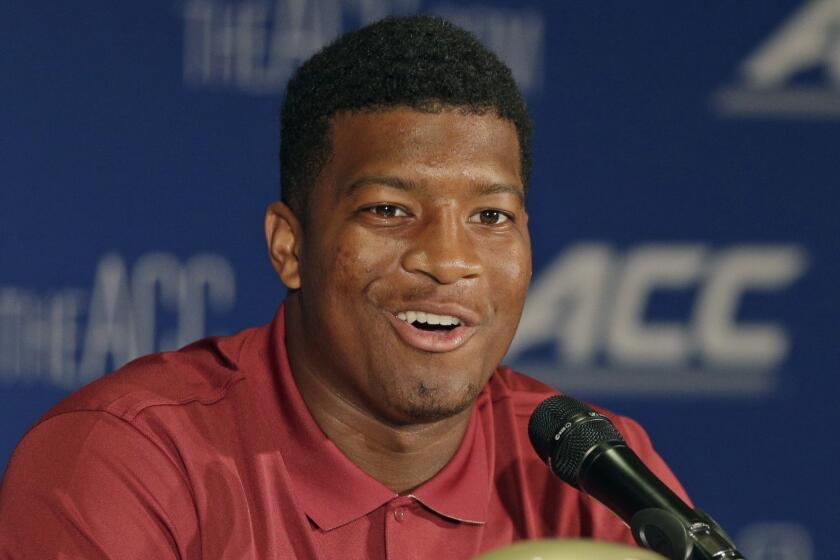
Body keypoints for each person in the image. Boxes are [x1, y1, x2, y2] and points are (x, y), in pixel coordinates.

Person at [0, 15, 689, 559]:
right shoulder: (126, 463)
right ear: (291, 247)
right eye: (388, 210)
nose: (449, 261)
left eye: (490, 216)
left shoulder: (594, 473)